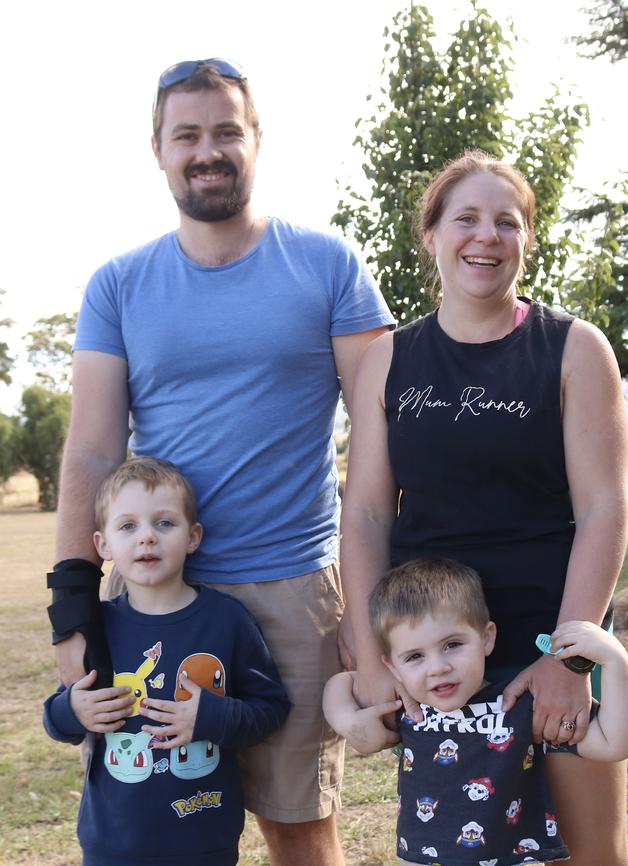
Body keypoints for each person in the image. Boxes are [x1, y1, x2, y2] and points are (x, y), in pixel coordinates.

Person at [48, 58, 394, 866]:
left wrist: (375, 610)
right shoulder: (118, 285)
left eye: (226, 131)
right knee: (153, 829)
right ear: (160, 150)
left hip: (293, 594)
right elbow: (93, 450)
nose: (209, 150)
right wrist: (73, 609)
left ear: (256, 140)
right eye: (188, 135)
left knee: (299, 830)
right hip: (147, 599)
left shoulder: (328, 266)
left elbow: (383, 440)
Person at [339, 149, 628, 865]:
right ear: (432, 236)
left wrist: (567, 654)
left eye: (507, 222)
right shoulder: (389, 359)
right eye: (465, 218)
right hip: (437, 658)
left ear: (527, 241)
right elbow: (367, 515)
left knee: (590, 853)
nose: (487, 236)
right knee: (459, 852)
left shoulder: (573, 349)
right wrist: (376, 655)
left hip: (542, 643)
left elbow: (603, 509)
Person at [44, 456, 291, 866]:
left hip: (203, 835)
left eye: (164, 523)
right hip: (112, 842)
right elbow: (56, 719)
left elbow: (270, 709)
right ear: (102, 545)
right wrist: (73, 710)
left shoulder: (226, 620)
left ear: (193, 536)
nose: (146, 538)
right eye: (128, 526)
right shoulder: (97, 626)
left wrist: (209, 717)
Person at [324, 559, 628, 865]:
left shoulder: (516, 708)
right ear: (392, 666)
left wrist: (615, 662)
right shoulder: (409, 710)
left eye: (452, 645)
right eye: (415, 656)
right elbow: (341, 684)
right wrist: (348, 721)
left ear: (486, 638)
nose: (438, 667)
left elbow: (616, 743)